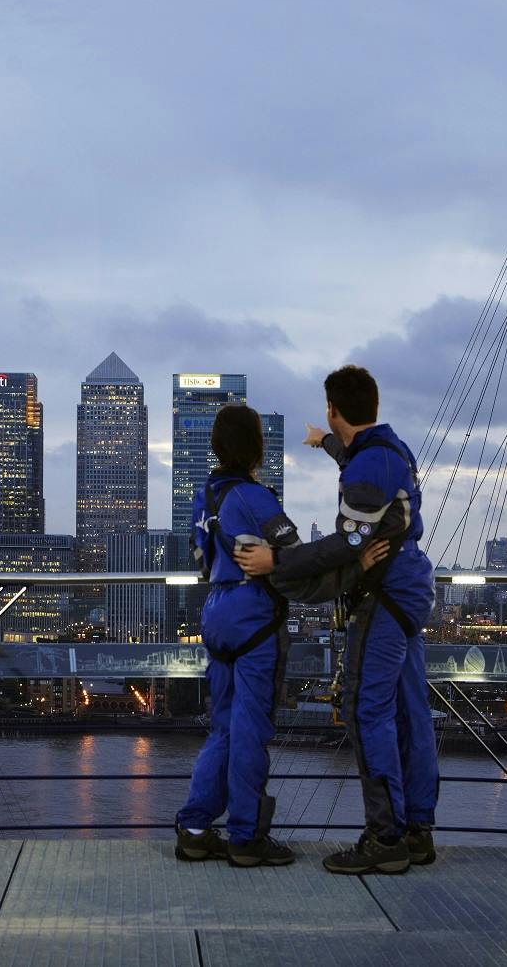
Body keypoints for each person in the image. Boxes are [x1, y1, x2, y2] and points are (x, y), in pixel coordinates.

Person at [234, 364, 439, 876]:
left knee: (365, 708)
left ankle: (384, 837)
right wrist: (325, 441)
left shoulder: (369, 468)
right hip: (408, 588)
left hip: (386, 592)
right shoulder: (389, 448)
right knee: (410, 711)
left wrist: (275, 563)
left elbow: (349, 540)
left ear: (332, 406)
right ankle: (416, 830)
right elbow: (357, 464)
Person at [174, 403, 388, 868]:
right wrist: (354, 569)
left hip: (215, 614)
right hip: (254, 617)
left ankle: (194, 827)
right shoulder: (254, 499)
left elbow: (206, 558)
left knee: (225, 726)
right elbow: (295, 561)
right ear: (256, 447)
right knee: (251, 728)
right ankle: (246, 837)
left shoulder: (206, 496)